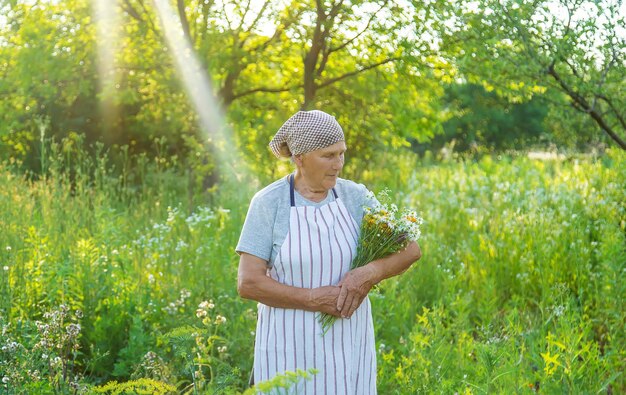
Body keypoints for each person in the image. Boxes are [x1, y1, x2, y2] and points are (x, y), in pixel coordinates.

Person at [236, 110, 421, 394]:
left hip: (348, 343)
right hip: (288, 348)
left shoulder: (354, 196)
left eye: (341, 154)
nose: (338, 164)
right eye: (328, 156)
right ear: (300, 158)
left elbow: (411, 249)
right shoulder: (269, 203)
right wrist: (311, 299)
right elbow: (248, 283)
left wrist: (369, 273)